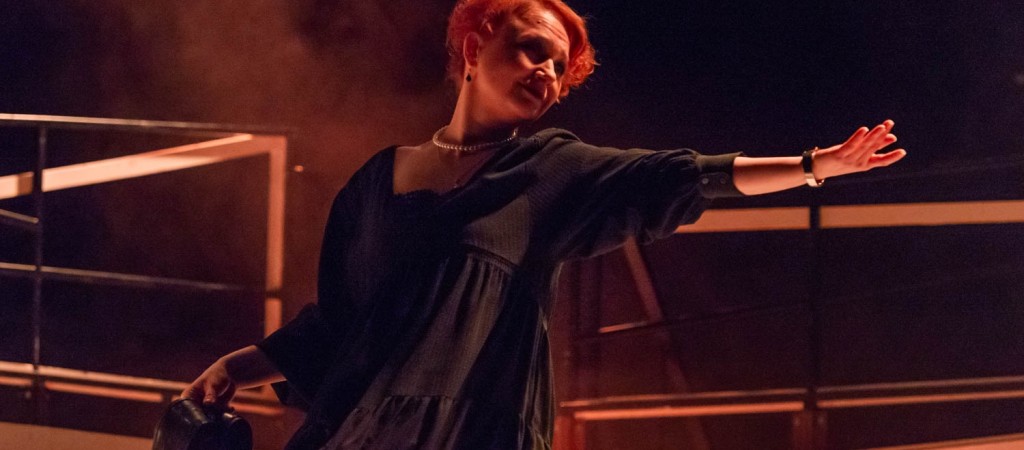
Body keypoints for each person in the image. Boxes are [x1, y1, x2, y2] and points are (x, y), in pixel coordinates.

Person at [181, 0, 906, 448]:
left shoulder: (551, 172)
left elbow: (679, 175)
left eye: (560, 68)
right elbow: (339, 322)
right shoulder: (375, 183)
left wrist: (814, 166)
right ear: (474, 47)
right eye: (533, 48)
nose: (547, 74)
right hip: (359, 430)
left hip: (474, 435)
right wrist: (238, 365)